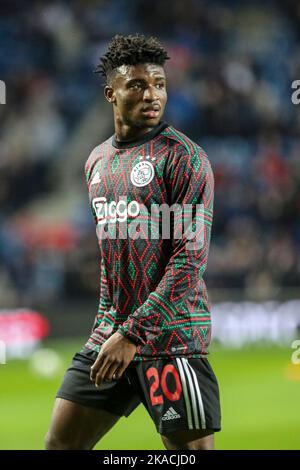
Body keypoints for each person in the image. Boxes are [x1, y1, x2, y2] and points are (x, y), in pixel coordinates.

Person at [45, 34, 221, 451]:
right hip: (110, 335)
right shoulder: (96, 163)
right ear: (111, 93)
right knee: (60, 445)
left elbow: (189, 262)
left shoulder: (184, 159)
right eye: (138, 85)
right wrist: (114, 330)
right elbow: (112, 259)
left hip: (171, 339)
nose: (152, 94)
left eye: (159, 84)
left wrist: (133, 334)